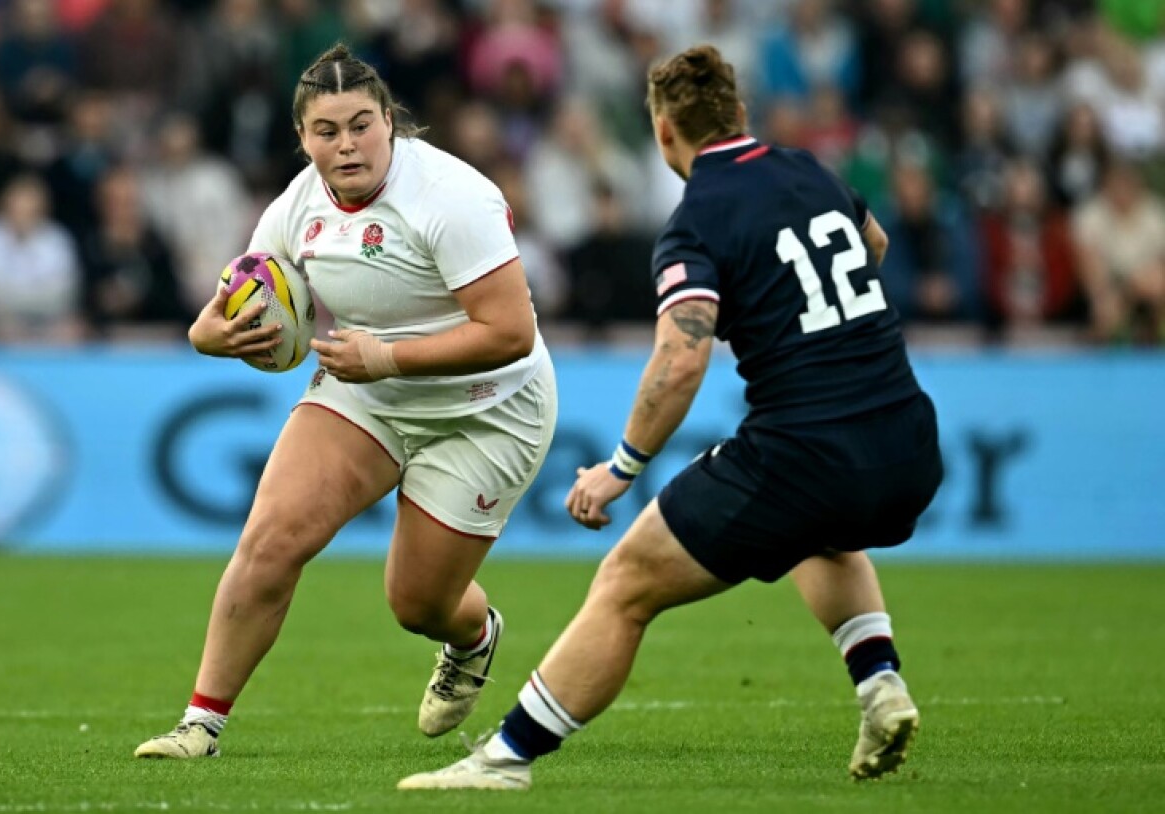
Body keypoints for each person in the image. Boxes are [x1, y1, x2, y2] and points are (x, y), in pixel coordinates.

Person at [398, 44, 943, 791]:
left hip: (804, 451)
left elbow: (680, 360)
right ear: (739, 113)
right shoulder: (811, 172)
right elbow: (872, 243)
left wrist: (621, 468)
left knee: (627, 581)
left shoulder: (697, 222)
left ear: (663, 133)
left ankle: (506, 759)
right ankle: (881, 685)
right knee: (820, 535)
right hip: (909, 438)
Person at [134, 43, 557, 759]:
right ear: (302, 138)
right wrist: (210, 334)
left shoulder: (452, 197)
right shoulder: (296, 204)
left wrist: (384, 356)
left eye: (361, 125)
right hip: (368, 392)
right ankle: (199, 726)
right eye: (326, 131)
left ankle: (473, 637)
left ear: (390, 120)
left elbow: (510, 334)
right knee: (271, 539)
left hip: (486, 408)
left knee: (418, 603)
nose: (347, 144)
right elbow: (242, 296)